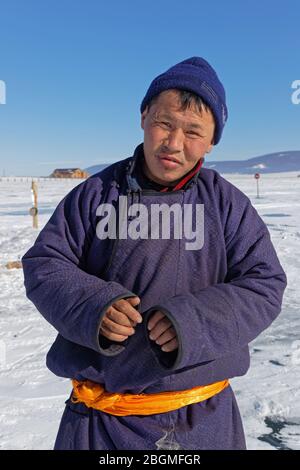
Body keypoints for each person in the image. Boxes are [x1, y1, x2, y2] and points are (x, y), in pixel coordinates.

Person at [22, 57, 287, 450]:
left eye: (194, 131)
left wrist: (193, 322)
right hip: (98, 423)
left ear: (213, 141)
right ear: (144, 116)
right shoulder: (94, 195)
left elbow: (265, 284)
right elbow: (44, 264)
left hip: (201, 421)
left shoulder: (227, 206)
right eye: (164, 123)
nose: (174, 143)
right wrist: (94, 307)